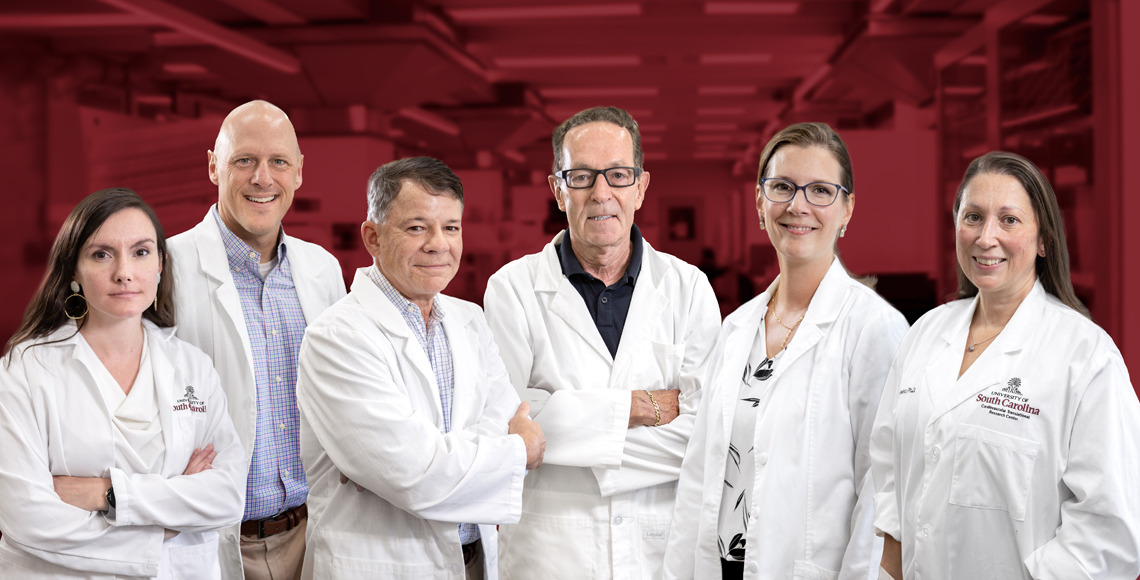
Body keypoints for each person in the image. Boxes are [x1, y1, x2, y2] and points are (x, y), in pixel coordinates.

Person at [870, 151, 1140, 580]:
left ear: (1044, 240)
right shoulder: (924, 333)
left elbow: (1109, 531)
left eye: (1009, 220)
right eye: (973, 217)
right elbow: (887, 474)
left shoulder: (1087, 357)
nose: (985, 236)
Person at [484, 106, 721, 579]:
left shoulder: (688, 288)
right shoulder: (511, 288)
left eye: (617, 175)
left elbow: (706, 434)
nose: (601, 193)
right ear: (557, 189)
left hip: (659, 552)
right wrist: (639, 408)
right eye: (581, 177)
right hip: (551, 553)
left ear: (641, 187)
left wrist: (570, 426)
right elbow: (507, 424)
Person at [664, 122, 909, 579]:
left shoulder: (875, 330)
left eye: (820, 190)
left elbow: (882, 496)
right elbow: (699, 478)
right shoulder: (737, 328)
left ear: (847, 209)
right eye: (782, 187)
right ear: (760, 203)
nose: (798, 206)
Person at [295, 156, 545, 580]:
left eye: (451, 227)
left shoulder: (471, 320)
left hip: (473, 562)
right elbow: (415, 474)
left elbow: (500, 421)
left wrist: (440, 453)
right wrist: (518, 450)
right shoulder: (335, 337)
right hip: (381, 566)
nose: (438, 244)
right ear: (372, 237)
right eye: (416, 228)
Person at [0, 187, 245, 578]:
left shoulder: (193, 367)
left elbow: (227, 496)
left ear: (161, 264)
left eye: (141, 252)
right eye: (102, 254)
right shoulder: (27, 368)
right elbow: (26, 517)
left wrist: (108, 495)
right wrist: (165, 526)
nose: (124, 272)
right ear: (73, 270)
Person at [167, 100, 346, 580]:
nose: (262, 178)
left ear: (300, 172)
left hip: (315, 532)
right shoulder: (164, 267)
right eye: (243, 160)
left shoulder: (323, 270)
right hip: (215, 537)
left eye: (278, 162)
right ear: (213, 167)